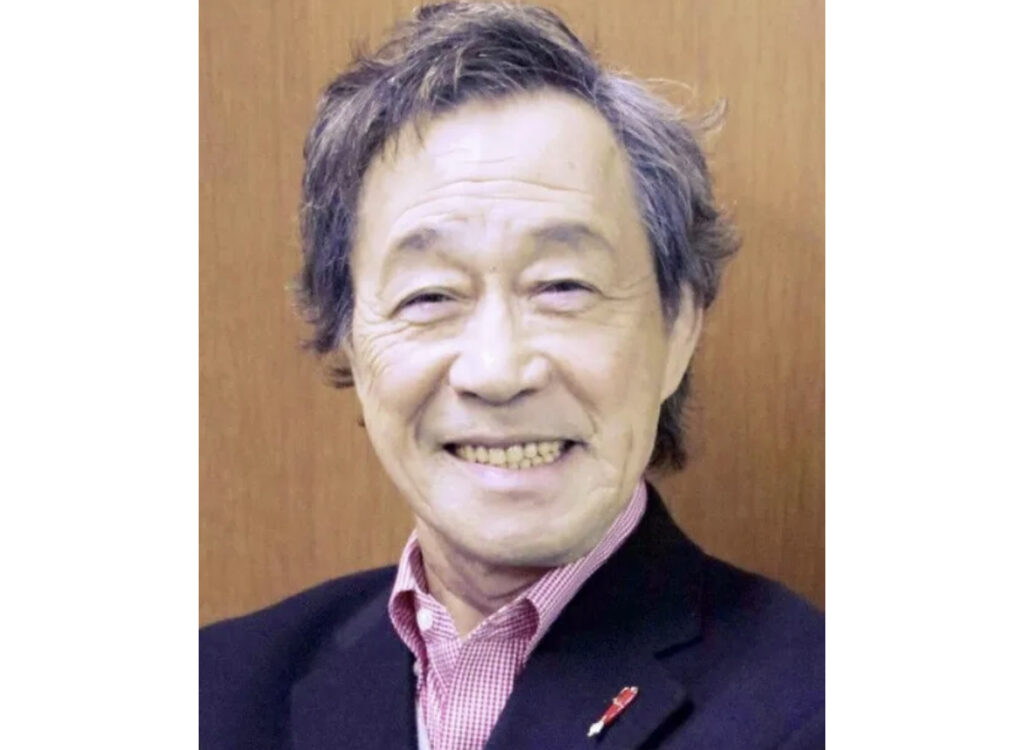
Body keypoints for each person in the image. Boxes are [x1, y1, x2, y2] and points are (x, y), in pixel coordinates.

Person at [199, 3, 824, 748]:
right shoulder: (209, 692)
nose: (497, 371)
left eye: (562, 286)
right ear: (350, 342)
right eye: (430, 296)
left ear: (678, 328)